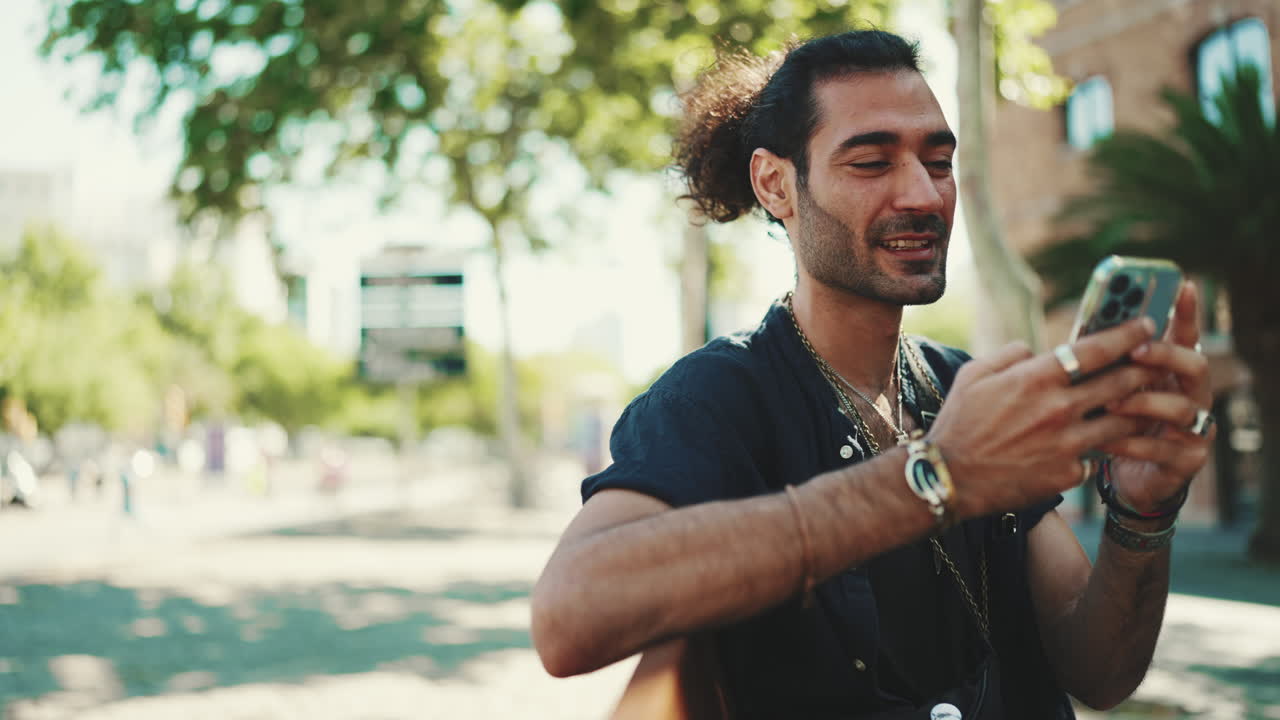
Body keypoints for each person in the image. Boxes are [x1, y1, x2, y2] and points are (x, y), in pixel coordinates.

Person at [531, 30, 1214, 719]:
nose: (923, 194)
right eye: (870, 163)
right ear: (776, 184)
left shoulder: (964, 386)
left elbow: (1099, 674)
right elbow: (567, 617)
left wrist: (1141, 512)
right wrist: (935, 477)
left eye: (939, 162)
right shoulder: (716, 397)